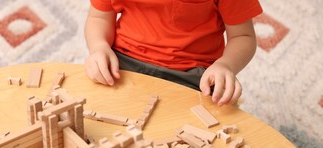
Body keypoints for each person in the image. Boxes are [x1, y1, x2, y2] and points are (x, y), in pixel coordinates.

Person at [84, 0, 263, 106]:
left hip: (194, 74)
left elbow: (243, 36)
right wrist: (98, 47)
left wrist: (225, 65)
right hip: (122, 63)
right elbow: (98, 17)